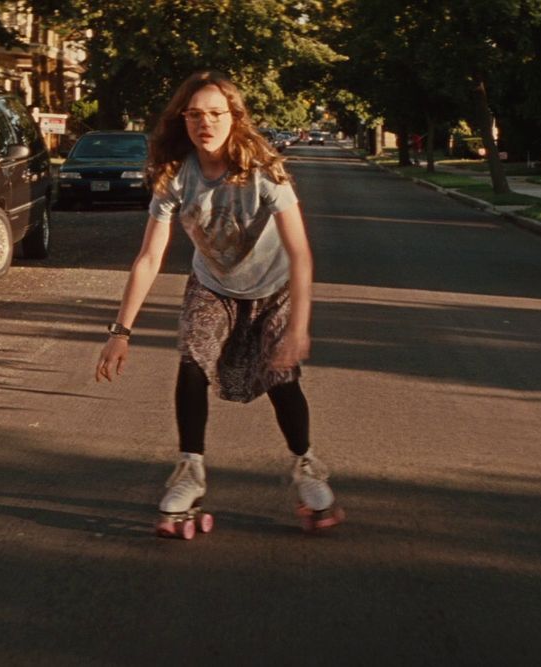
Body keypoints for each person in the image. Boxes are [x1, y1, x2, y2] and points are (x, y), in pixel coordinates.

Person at [94, 70, 343, 537]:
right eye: (194, 114)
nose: (204, 124)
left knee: (280, 377)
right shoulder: (174, 176)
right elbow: (149, 257)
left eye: (214, 113)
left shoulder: (263, 168)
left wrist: (298, 327)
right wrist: (119, 333)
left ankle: (307, 467)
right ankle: (190, 472)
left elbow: (300, 253)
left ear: (234, 118)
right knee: (193, 362)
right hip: (213, 287)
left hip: (273, 291)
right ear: (182, 120)